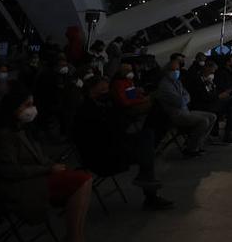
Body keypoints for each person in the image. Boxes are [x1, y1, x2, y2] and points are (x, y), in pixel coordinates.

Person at [0, 87, 93, 242]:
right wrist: (48, 169)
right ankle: (73, 241)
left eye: (32, 104)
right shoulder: (4, 136)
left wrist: (52, 165)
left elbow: (40, 158)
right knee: (82, 180)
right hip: (20, 185)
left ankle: (76, 238)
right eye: (27, 105)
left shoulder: (23, 129)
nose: (31, 109)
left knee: (83, 179)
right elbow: (11, 171)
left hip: (36, 178)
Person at [71, 78, 173, 211]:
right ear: (93, 90)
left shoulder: (101, 105)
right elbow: (110, 131)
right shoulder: (88, 111)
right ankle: (150, 195)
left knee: (147, 138)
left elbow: (116, 129)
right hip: (102, 154)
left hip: (112, 144)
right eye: (104, 88)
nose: (107, 90)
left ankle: (149, 190)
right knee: (146, 145)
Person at [153, 58, 217, 157]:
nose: (177, 72)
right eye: (174, 70)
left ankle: (198, 144)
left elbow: (187, 96)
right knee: (203, 121)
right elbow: (179, 101)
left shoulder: (177, 82)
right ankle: (191, 149)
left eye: (177, 70)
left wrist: (183, 99)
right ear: (167, 71)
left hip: (185, 111)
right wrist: (184, 99)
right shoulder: (165, 85)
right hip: (176, 115)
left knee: (212, 116)